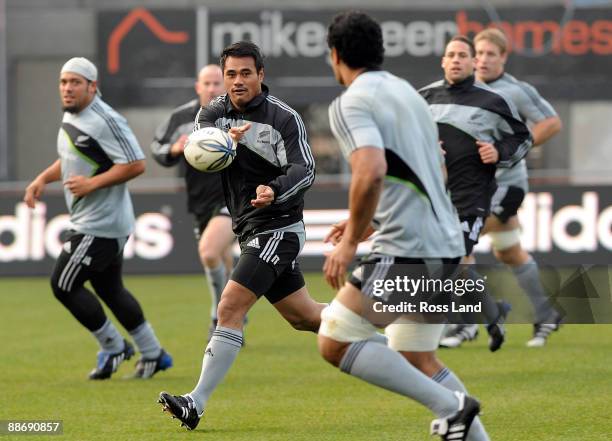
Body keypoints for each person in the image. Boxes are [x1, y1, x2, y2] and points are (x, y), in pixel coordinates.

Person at [319, 13, 484, 441]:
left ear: (335, 56)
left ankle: (452, 406)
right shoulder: (408, 93)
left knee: (334, 339)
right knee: (416, 355)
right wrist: (373, 219)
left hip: (410, 248)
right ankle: (468, 424)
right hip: (446, 242)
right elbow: (437, 169)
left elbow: (370, 170)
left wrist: (351, 240)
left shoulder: (351, 101)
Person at [157, 41, 327, 431]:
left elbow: (306, 168)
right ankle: (385, 331)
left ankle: (194, 403)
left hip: (279, 227)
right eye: (230, 74)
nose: (237, 81)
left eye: (245, 73)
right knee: (305, 317)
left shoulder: (284, 118)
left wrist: (275, 189)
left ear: (260, 75)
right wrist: (223, 143)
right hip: (249, 229)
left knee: (230, 306)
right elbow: (201, 144)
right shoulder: (213, 113)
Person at [23, 57, 172, 380]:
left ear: (93, 86)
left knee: (63, 284)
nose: (67, 88)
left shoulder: (106, 119)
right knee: (110, 289)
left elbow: (135, 164)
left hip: (101, 223)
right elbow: (72, 156)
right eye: (63, 82)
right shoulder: (74, 115)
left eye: (75, 82)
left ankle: (114, 346)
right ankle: (153, 353)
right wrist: (41, 179)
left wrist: (91, 184)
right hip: (95, 220)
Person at [419, 36, 533, 352]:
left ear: (473, 63)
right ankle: (492, 313)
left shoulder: (493, 101)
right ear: (443, 61)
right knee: (456, 264)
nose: (456, 60)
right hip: (432, 198)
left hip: (471, 197)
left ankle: (434, 334)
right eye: (450, 55)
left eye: (463, 55)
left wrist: (498, 150)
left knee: (452, 261)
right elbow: (404, 138)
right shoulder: (423, 97)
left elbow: (523, 139)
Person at [471, 28, 564, 347]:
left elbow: (551, 122)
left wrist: (512, 148)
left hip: (506, 186)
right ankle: (547, 312)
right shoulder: (466, 88)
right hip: (476, 186)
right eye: (478, 53)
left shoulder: (516, 91)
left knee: (456, 242)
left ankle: (469, 320)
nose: (482, 59)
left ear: (503, 58)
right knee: (508, 251)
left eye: (490, 54)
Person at [151, 65, 237, 341]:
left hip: (234, 196)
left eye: (217, 83)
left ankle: (219, 314)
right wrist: (174, 149)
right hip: (200, 200)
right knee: (222, 259)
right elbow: (156, 147)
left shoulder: (237, 114)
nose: (212, 88)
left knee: (209, 251)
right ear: (197, 87)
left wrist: (238, 142)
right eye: (207, 83)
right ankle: (236, 310)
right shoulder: (181, 117)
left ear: (224, 86)